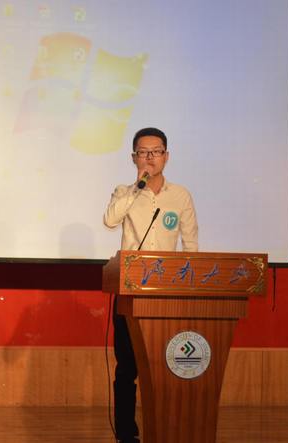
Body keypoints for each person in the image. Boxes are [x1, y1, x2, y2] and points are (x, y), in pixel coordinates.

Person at [103, 127, 198, 443]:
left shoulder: (180, 195)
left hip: (166, 294)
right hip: (130, 292)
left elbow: (191, 245)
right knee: (127, 368)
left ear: (166, 156)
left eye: (156, 152)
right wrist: (137, 187)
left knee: (166, 367)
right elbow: (110, 220)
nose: (150, 158)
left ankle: (166, 429)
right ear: (134, 158)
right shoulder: (124, 192)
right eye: (143, 153)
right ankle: (127, 434)